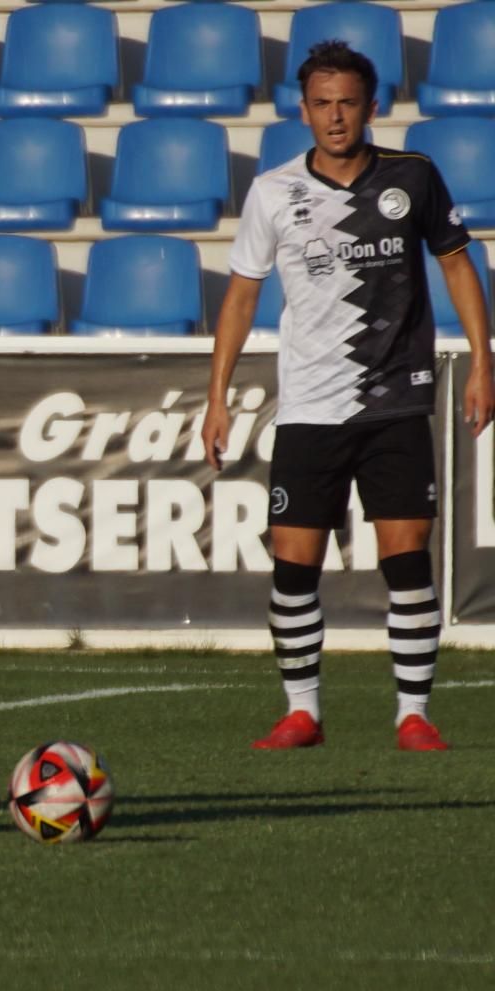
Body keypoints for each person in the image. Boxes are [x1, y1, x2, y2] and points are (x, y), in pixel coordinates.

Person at [204, 41, 494, 751]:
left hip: (395, 399)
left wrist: (485, 363)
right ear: (302, 110)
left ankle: (413, 715)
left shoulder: (413, 177)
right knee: (293, 562)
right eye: (323, 104)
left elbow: (458, 265)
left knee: (405, 557)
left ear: (373, 107)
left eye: (348, 103)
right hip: (308, 406)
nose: (336, 118)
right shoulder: (273, 192)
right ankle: (303, 710)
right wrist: (217, 396)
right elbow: (241, 297)